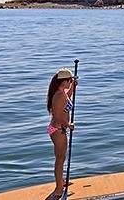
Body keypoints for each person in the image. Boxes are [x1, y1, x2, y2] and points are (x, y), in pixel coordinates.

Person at [46, 68, 77, 198]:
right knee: (60, 160)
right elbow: (59, 116)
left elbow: (67, 98)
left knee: (61, 158)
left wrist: (73, 89)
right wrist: (68, 125)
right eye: (70, 81)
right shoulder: (58, 96)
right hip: (59, 130)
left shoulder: (61, 92)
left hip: (58, 129)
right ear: (64, 81)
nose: (71, 82)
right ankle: (59, 189)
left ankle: (61, 181)